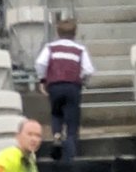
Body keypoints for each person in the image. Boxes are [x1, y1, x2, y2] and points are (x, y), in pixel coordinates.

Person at [35, 18, 95, 163]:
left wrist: (43, 79)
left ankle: (56, 135)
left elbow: (40, 63)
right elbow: (88, 69)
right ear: (75, 33)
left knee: (56, 113)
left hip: (55, 85)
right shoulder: (79, 49)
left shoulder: (50, 47)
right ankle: (70, 154)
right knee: (72, 120)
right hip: (72, 86)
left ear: (58, 32)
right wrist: (82, 80)